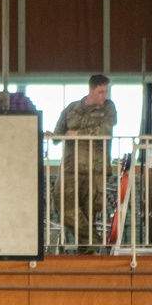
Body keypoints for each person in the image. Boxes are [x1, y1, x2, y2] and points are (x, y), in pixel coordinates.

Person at [51, 74, 117, 253]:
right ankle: (95, 241)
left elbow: (105, 130)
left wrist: (77, 134)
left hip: (95, 169)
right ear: (91, 90)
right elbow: (59, 135)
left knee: (89, 212)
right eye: (100, 91)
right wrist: (53, 135)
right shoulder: (72, 108)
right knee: (63, 207)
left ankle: (87, 252)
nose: (104, 95)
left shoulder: (108, 108)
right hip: (71, 167)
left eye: (106, 91)